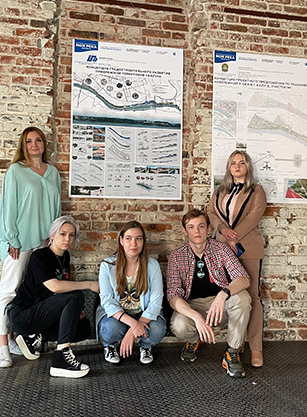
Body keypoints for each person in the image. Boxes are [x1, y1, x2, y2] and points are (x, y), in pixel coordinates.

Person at [0, 127, 61, 368]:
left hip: (44, 243)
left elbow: (57, 209)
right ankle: (2, 344)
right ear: (24, 145)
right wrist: (12, 238)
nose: (34, 144)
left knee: (32, 293)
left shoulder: (53, 173)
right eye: (29, 141)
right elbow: (8, 208)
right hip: (19, 242)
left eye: (38, 140)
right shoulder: (16, 171)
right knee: (10, 290)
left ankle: (17, 338)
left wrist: (54, 238)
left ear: (44, 144)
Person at [8, 215, 99, 378]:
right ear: (52, 235)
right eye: (63, 234)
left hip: (42, 316)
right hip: (23, 315)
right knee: (76, 296)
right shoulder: (40, 256)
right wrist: (89, 284)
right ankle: (60, 359)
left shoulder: (65, 257)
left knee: (83, 327)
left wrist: (74, 310)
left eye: (71, 235)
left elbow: (62, 290)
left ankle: (34, 337)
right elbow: (55, 286)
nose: (67, 239)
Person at [167, 209, 251, 378]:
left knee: (243, 298)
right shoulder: (176, 256)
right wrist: (196, 317)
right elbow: (173, 296)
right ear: (184, 231)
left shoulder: (221, 249)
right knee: (179, 325)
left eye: (201, 226)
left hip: (219, 306)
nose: (196, 231)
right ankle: (193, 341)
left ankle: (232, 352)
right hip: (193, 306)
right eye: (191, 227)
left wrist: (223, 294)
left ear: (208, 229)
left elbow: (243, 279)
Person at [207, 150, 267, 368]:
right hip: (223, 248)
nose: (237, 166)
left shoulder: (257, 190)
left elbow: (254, 216)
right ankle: (236, 345)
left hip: (248, 248)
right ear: (229, 167)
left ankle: (256, 348)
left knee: (252, 296)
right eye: (233, 162)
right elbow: (211, 213)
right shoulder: (219, 191)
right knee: (234, 295)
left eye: (242, 162)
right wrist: (223, 231)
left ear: (248, 167)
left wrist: (234, 237)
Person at [97, 221, 166, 365]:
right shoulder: (107, 265)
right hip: (117, 316)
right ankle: (110, 346)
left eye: (138, 238)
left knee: (158, 328)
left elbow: (156, 301)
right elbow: (107, 301)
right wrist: (133, 324)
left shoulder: (152, 265)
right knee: (109, 329)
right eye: (128, 238)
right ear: (121, 240)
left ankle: (145, 347)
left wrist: (135, 327)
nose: (133, 243)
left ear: (143, 241)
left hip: (143, 315)